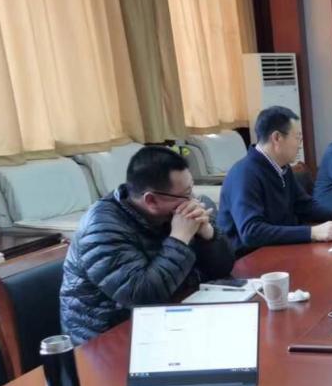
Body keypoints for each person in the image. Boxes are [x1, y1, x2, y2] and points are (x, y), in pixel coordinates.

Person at [60, 147, 235, 344]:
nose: (192, 201)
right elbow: (141, 297)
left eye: (191, 190)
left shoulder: (175, 213)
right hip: (107, 338)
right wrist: (179, 239)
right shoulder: (101, 228)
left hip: (168, 318)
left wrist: (208, 235)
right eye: (185, 195)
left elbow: (223, 268)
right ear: (151, 200)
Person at [217, 107, 332, 257]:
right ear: (277, 138)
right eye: (297, 137)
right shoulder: (244, 174)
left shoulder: (282, 167)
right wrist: (312, 232)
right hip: (250, 259)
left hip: (281, 250)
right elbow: (251, 232)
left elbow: (304, 205)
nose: (300, 144)